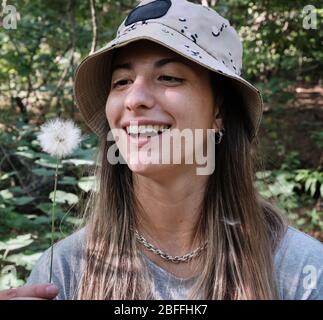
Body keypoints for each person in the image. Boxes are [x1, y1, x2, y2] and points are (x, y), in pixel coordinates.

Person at [1, 0, 322, 300]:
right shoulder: (64, 272)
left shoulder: (301, 272)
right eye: (121, 81)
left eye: (168, 77)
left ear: (219, 110)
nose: (134, 99)